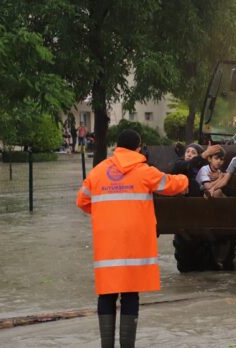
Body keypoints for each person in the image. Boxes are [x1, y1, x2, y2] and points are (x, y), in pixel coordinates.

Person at [76, 129, 188, 348]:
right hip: (134, 245)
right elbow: (171, 185)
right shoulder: (143, 171)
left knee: (107, 294)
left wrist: (105, 211)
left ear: (117, 146)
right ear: (138, 148)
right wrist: (186, 177)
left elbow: (82, 201)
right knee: (130, 294)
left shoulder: (98, 172)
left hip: (107, 246)